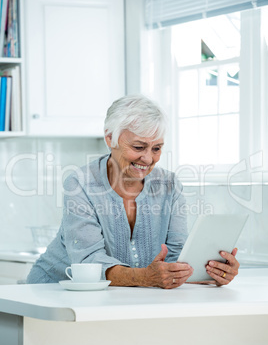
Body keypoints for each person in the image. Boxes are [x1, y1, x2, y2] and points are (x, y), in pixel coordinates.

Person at [27, 95, 240, 288]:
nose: (148, 159)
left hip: (121, 295)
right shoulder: (81, 183)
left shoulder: (169, 184)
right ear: (110, 138)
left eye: (156, 148)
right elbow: (90, 262)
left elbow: (177, 255)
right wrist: (144, 277)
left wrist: (211, 271)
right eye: (138, 147)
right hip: (53, 290)